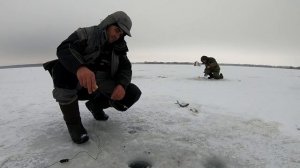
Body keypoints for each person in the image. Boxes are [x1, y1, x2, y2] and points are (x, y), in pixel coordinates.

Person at [43, 11, 142, 144]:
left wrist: (121, 85)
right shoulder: (86, 34)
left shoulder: (120, 47)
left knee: (132, 92)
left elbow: (125, 68)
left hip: (99, 86)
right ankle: (74, 126)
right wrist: (80, 67)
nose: (117, 36)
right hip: (78, 86)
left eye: (121, 33)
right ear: (108, 24)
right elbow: (64, 48)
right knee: (60, 68)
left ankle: (95, 106)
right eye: (116, 30)